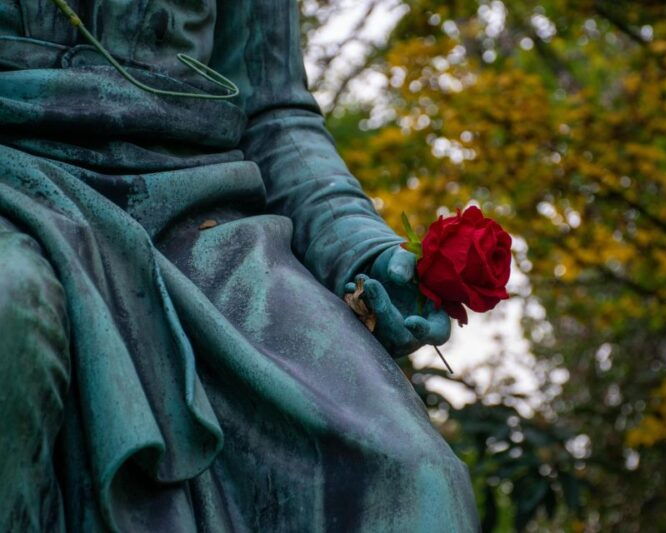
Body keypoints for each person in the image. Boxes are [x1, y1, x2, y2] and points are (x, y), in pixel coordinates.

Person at [0, 0, 479, 530]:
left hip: (195, 214)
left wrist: (363, 248)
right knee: (9, 307)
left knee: (413, 472)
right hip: (11, 189)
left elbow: (275, 114)